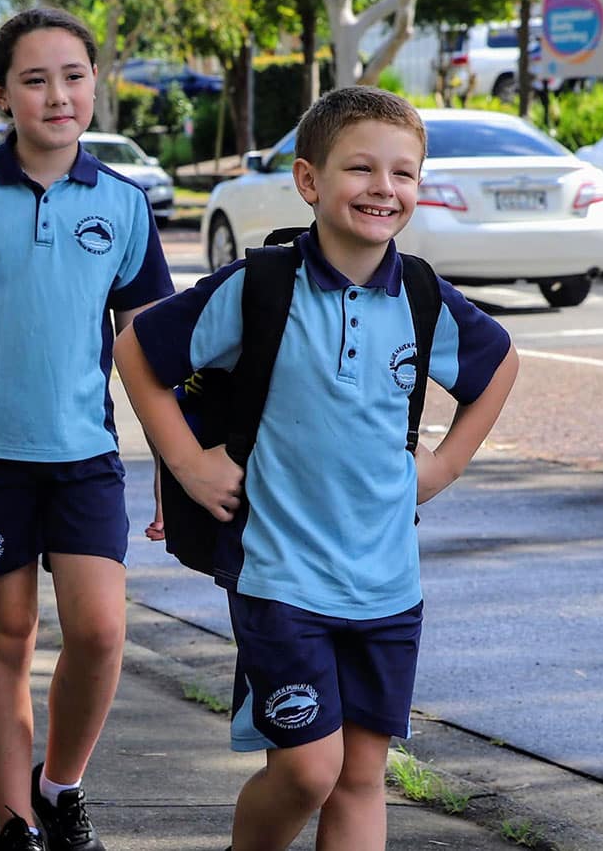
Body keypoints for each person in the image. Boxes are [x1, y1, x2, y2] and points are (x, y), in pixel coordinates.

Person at [113, 86, 520, 851]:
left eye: (403, 173)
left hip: (388, 585)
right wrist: (187, 461)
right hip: (282, 580)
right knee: (307, 771)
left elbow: (499, 365)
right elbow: (138, 351)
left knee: (362, 777)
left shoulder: (422, 297)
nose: (383, 188)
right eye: (360, 168)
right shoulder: (261, 288)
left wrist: (440, 468)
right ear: (310, 181)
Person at [0, 7, 173, 851]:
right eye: (35, 79)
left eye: (73, 76)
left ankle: (61, 786)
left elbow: (149, 344)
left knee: (99, 630)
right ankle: (15, 822)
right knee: (5, 637)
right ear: (1, 94)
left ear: (96, 85)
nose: (57, 94)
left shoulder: (123, 206)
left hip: (83, 457)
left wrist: (173, 455)